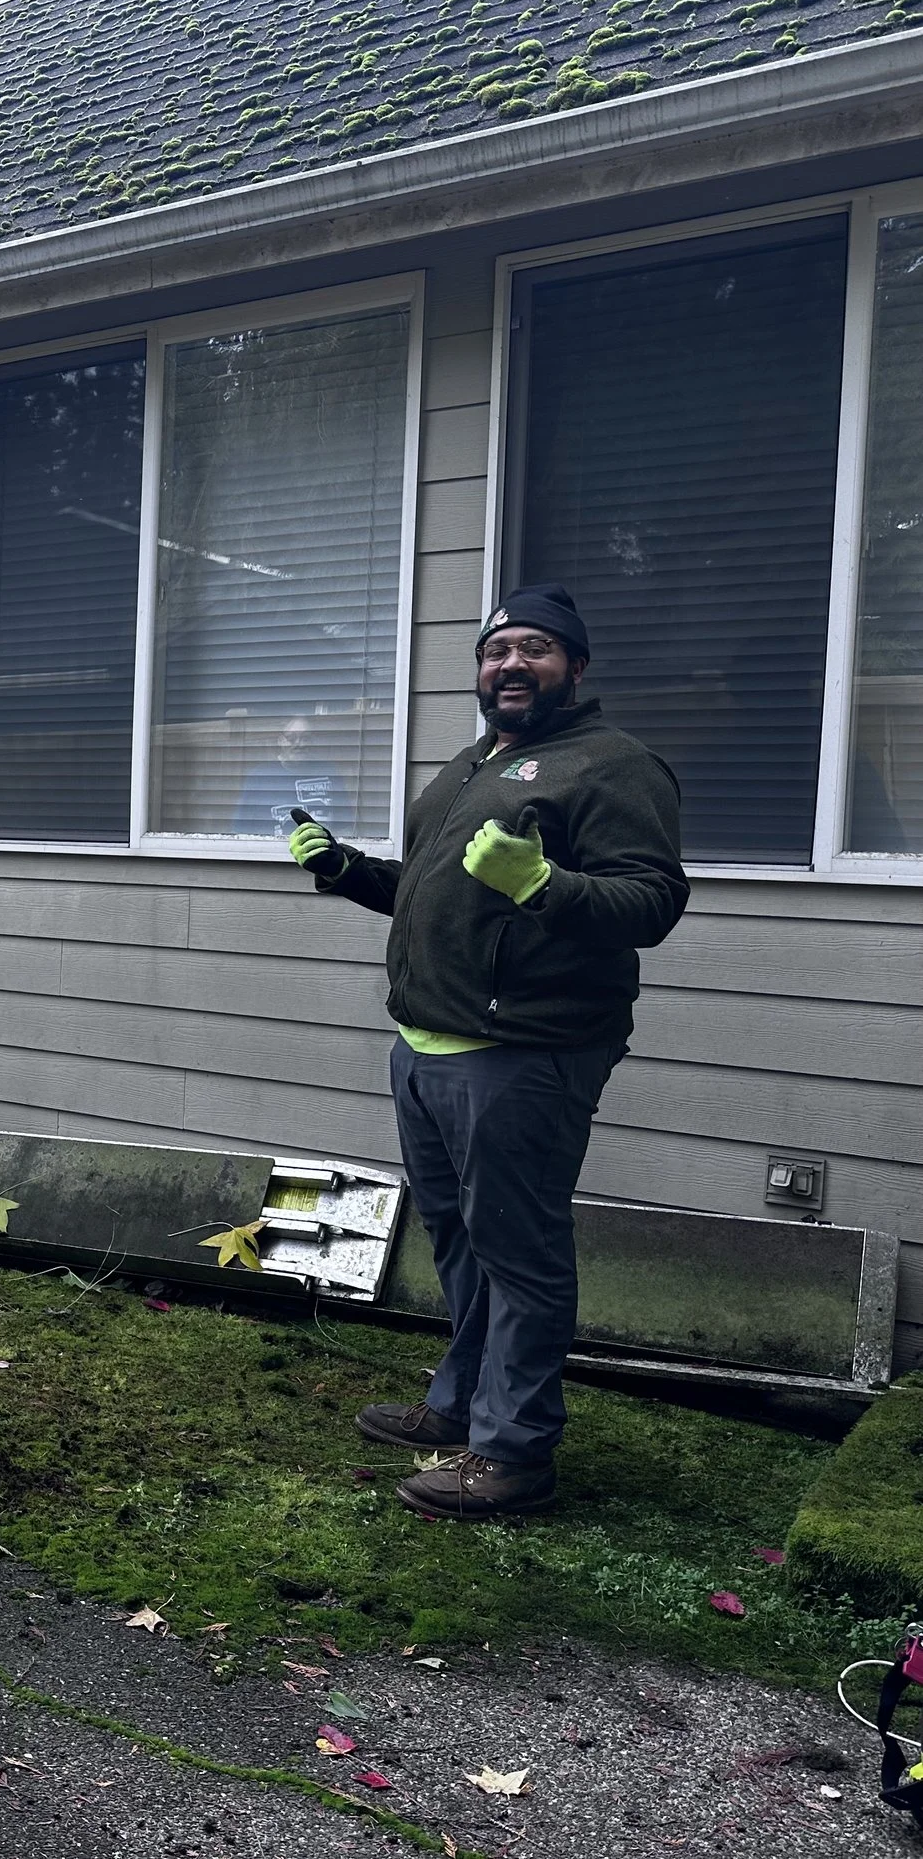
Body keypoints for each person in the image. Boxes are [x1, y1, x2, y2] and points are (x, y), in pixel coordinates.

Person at [284, 584, 688, 1520]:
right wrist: (349, 873)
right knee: (461, 1240)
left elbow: (653, 902)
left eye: (536, 648)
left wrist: (545, 883)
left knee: (520, 1252)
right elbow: (446, 897)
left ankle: (512, 1454)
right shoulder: (472, 764)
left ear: (575, 667)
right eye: (496, 650)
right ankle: (460, 1404)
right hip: (425, 1043)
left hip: (522, 1052)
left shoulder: (611, 765)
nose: (511, 663)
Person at [234, 716, 352, 839]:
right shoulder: (260, 778)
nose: (299, 744)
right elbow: (240, 831)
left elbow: (345, 828)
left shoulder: (329, 773)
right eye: (291, 738)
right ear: (280, 741)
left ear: (313, 741)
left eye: (305, 738)